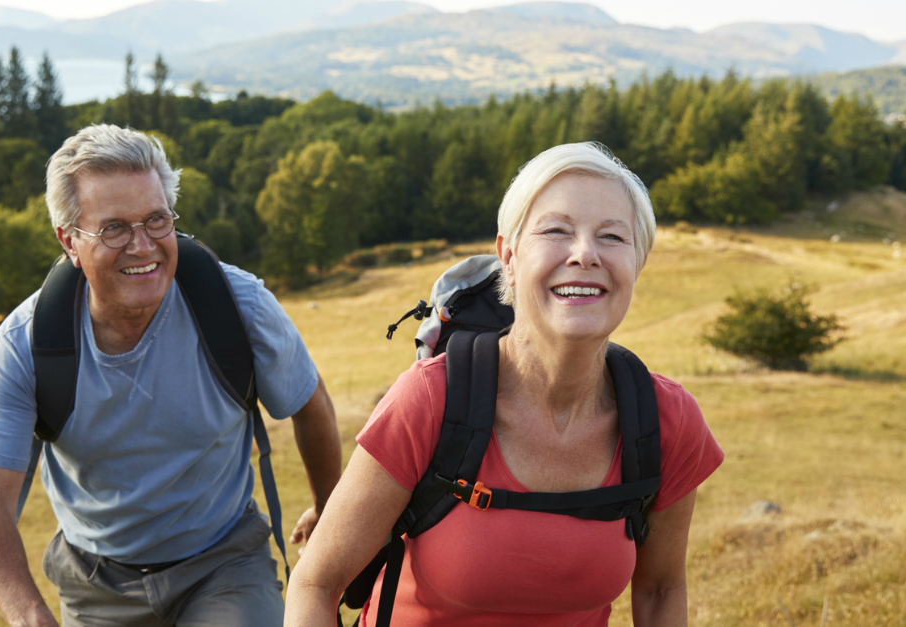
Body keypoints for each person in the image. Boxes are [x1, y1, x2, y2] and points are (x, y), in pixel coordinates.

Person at [285, 142, 724, 626]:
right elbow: (315, 583)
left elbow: (663, 589)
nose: (585, 254)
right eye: (556, 230)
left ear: (638, 264)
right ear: (508, 258)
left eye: (613, 237)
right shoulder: (431, 400)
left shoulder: (665, 422)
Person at [0, 124, 343, 627]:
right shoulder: (26, 345)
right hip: (93, 583)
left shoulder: (239, 305)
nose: (143, 246)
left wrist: (327, 511)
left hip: (224, 564)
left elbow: (310, 403)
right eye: (114, 228)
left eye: (156, 220)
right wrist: (31, 618)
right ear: (70, 241)